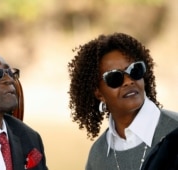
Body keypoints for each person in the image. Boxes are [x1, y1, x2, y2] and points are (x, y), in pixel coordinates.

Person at [67, 32, 178, 170]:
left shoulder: (174, 129)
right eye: (115, 77)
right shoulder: (98, 156)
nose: (128, 81)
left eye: (135, 70)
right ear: (98, 92)